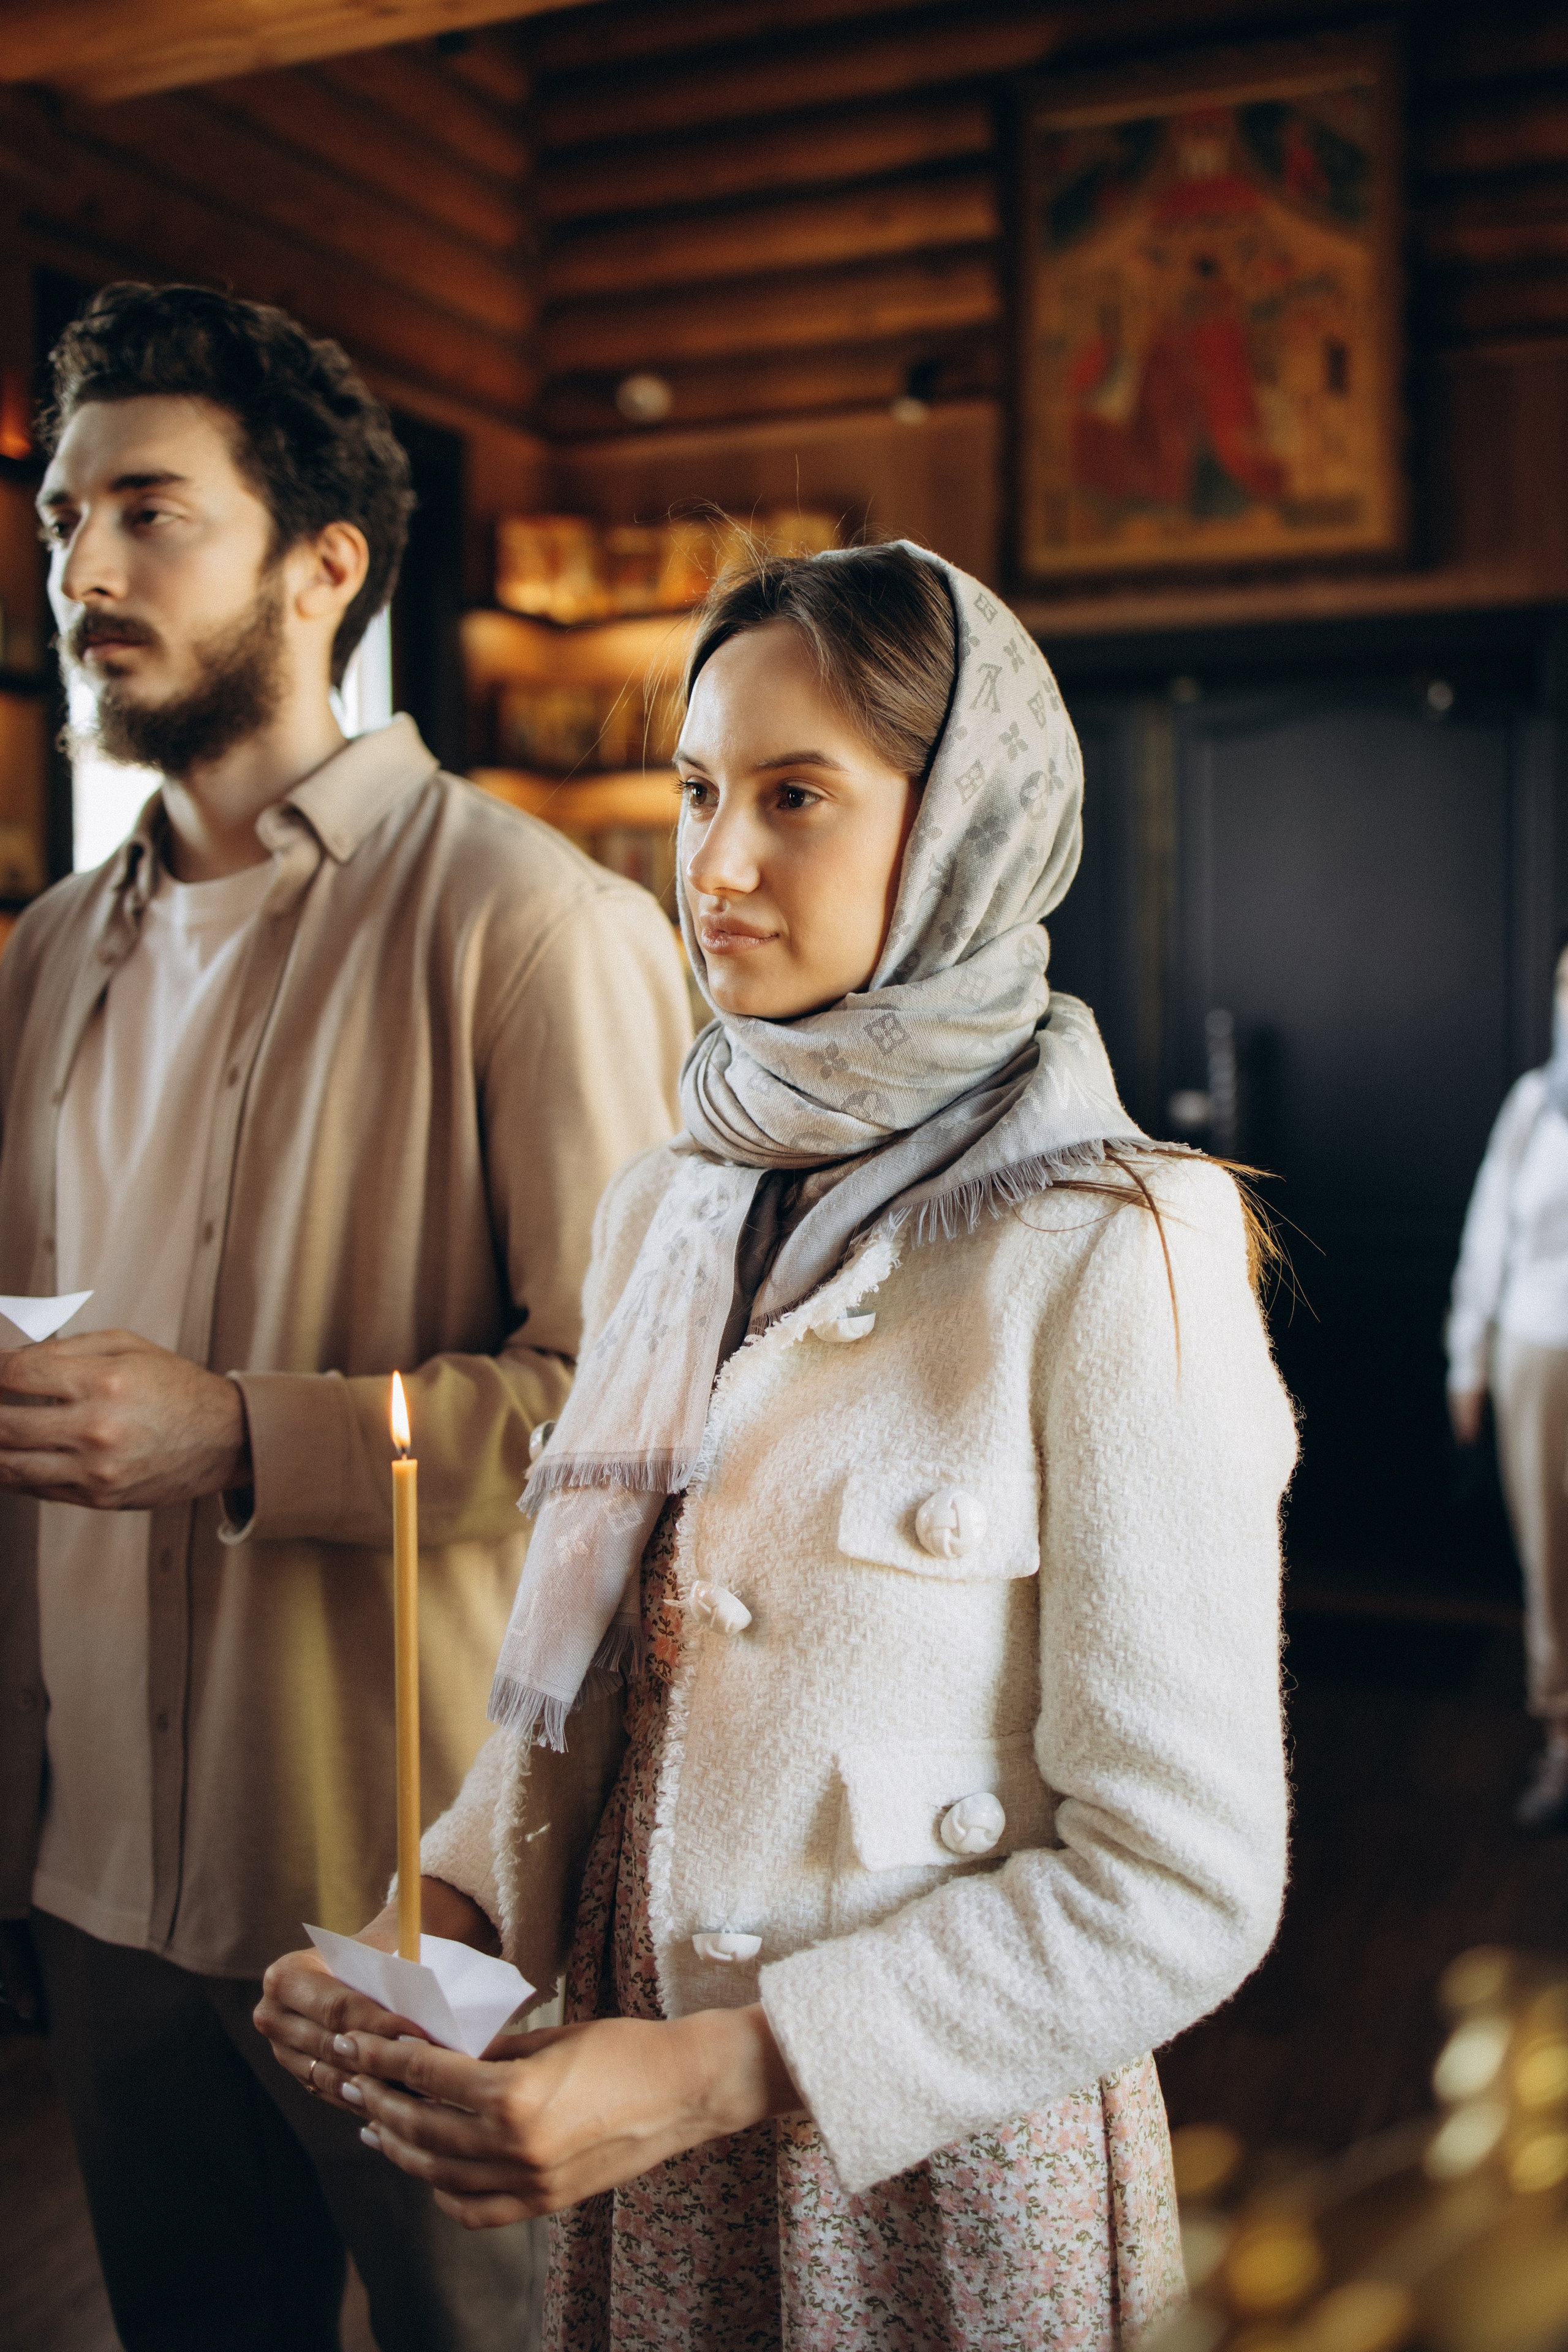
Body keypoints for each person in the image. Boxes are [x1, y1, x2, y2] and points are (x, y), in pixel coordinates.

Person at [258, 540, 1297, 2350]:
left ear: (964, 827)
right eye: (697, 791)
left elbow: (1182, 1886)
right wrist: (436, 1915)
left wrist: (729, 2069)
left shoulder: (1119, 1242)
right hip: (628, 2127)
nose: (715, 864)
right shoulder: (671, 1198)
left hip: (923, 2174)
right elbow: (605, 1686)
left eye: (797, 796)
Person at [0, 282, 690, 2352]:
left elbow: (640, 1423)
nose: (82, 571)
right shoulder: (36, 959)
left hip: (419, 1891)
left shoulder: (532, 924)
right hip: (96, 1890)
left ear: (325, 565)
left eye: (148, 514)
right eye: (56, 522)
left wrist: (237, 1434)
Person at [1449, 935, 1568, 1830]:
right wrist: (1470, 1359)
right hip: (1539, 1352)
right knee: (1550, 1555)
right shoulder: (1534, 1105)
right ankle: (1562, 1737)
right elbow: (1489, 1234)